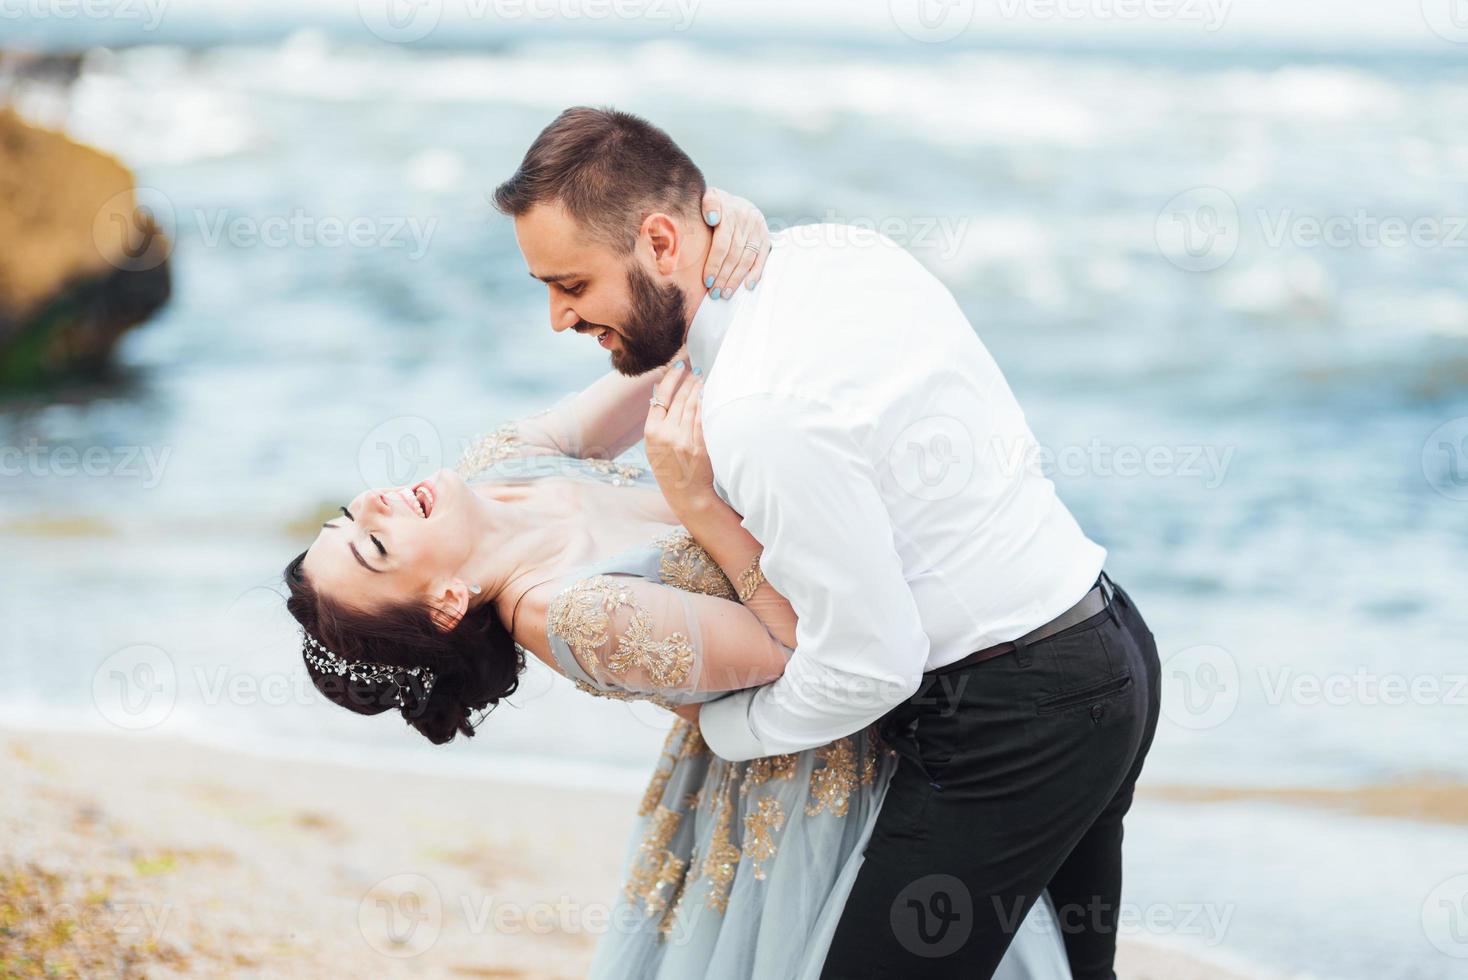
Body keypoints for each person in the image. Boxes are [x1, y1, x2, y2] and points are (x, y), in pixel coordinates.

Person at [281, 188, 1069, 979]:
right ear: (447, 601)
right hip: (818, 770)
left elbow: (665, 346)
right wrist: (699, 503)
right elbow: (797, 646)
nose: (379, 502)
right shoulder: (576, 615)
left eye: (351, 515)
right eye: (377, 546)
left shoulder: (497, 468)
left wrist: (717, 243)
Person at [494, 106, 1161, 979]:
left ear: (661, 243)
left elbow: (869, 668)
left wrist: (724, 727)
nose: (557, 318)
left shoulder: (760, 414)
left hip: (1016, 714)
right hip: (1108, 640)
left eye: (572, 286)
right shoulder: (842, 251)